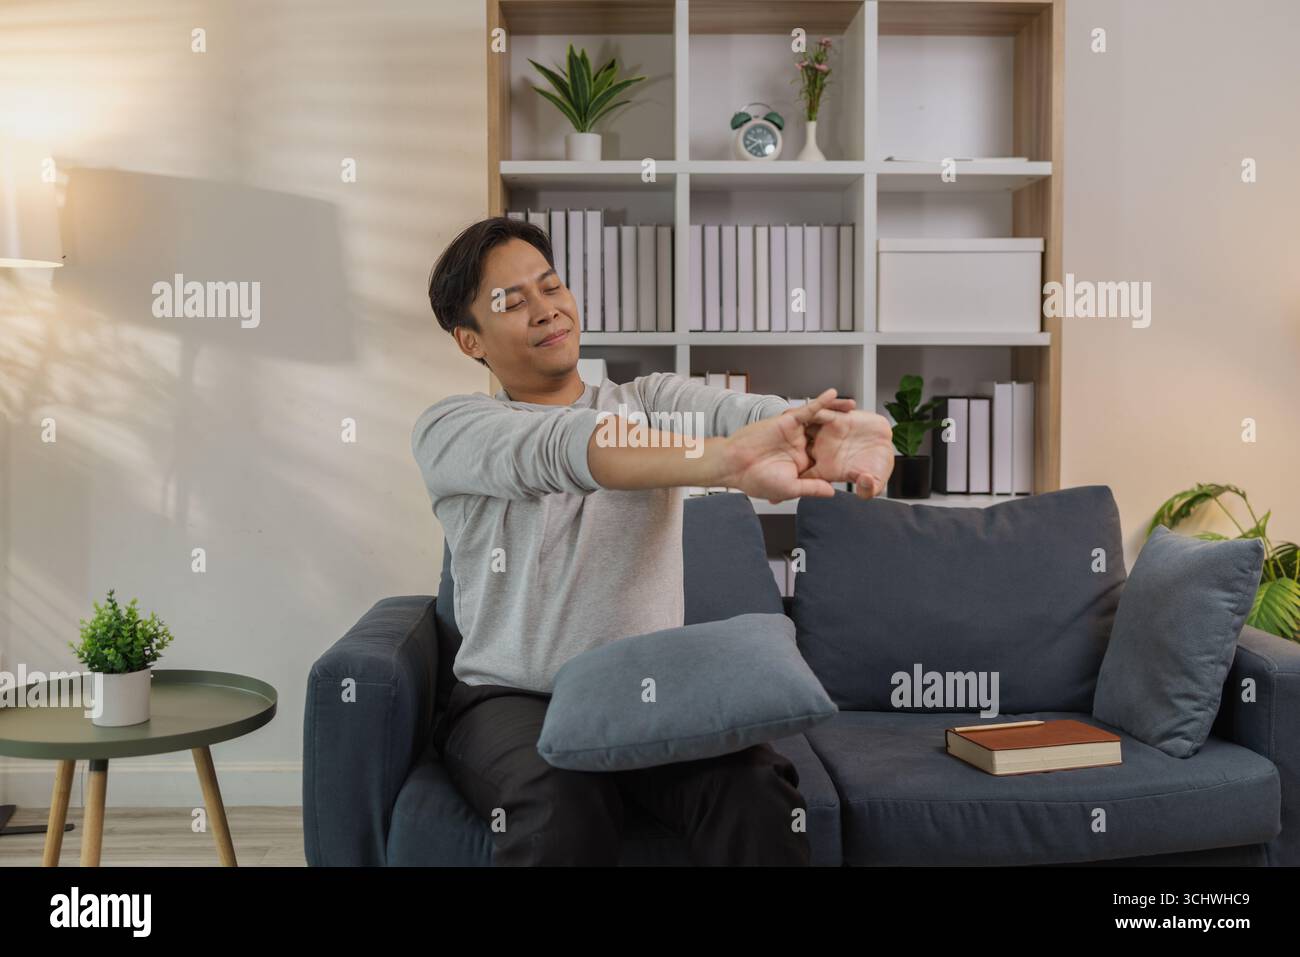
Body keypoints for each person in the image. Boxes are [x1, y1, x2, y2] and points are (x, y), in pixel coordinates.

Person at [413, 216, 894, 865]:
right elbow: (566, 447)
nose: (546, 308)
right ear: (471, 339)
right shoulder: (456, 427)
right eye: (512, 301)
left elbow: (746, 416)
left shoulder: (650, 401)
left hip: (649, 694)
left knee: (753, 791)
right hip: (513, 697)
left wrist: (814, 432)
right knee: (561, 802)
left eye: (550, 285)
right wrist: (723, 460)